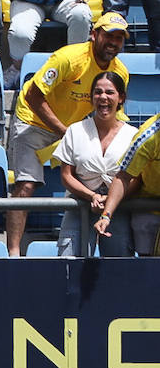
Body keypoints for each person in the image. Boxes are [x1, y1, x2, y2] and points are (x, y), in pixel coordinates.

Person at [5, 13, 130, 256]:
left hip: (72, 127)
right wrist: (66, 133)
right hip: (34, 119)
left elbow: (117, 113)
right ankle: (14, 252)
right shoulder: (68, 58)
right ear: (94, 35)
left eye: (119, 38)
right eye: (108, 36)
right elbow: (33, 96)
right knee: (26, 184)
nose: (113, 42)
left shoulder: (120, 72)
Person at [55, 73, 137, 257]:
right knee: (68, 262)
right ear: (91, 97)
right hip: (78, 205)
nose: (103, 97)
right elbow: (66, 175)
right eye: (98, 92)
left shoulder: (133, 135)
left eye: (110, 92)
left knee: (119, 268)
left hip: (118, 208)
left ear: (121, 98)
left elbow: (136, 179)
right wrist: (92, 196)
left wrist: (110, 201)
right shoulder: (75, 131)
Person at [96, 112, 160, 255]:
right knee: (149, 272)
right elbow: (123, 177)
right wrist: (106, 216)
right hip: (149, 215)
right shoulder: (148, 136)